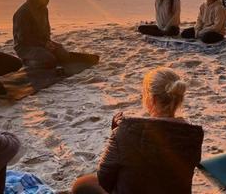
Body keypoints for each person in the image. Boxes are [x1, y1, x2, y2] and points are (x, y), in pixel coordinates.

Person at [71, 68, 204, 194]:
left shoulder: (125, 131)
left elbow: (104, 180)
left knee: (83, 184)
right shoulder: (193, 135)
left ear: (152, 99)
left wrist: (117, 133)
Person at [13, 0, 70, 69]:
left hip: (42, 43)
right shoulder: (23, 13)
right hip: (25, 47)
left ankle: (46, 55)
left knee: (64, 55)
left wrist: (48, 43)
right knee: (49, 60)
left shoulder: (44, 9)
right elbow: (24, 38)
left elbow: (46, 30)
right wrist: (43, 44)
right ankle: (27, 61)